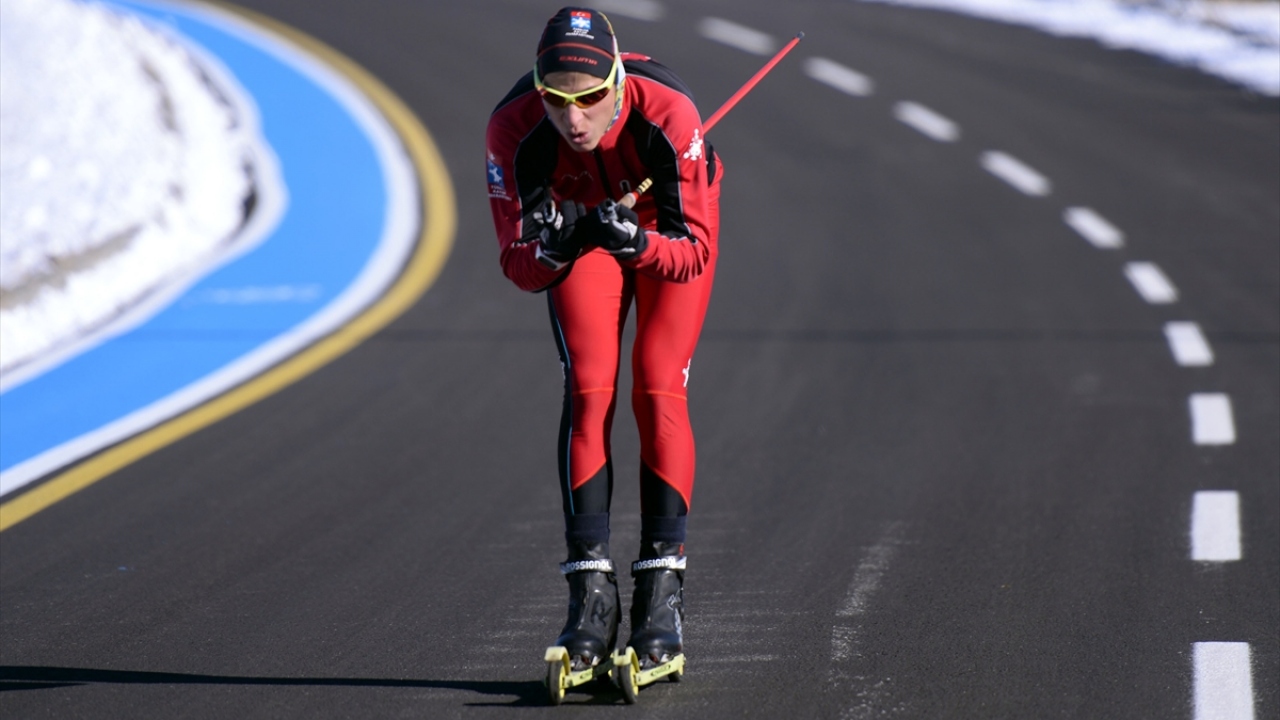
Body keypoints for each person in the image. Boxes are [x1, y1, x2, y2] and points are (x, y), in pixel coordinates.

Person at [486, 7, 721, 673]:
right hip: (584, 234)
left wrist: (639, 243)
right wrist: (555, 248)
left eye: (590, 98)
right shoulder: (512, 129)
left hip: (660, 232)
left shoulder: (670, 114)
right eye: (556, 100)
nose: (574, 118)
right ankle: (590, 595)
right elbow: (518, 264)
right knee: (589, 388)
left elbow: (693, 254)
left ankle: (660, 594)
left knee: (657, 386)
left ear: (617, 81)